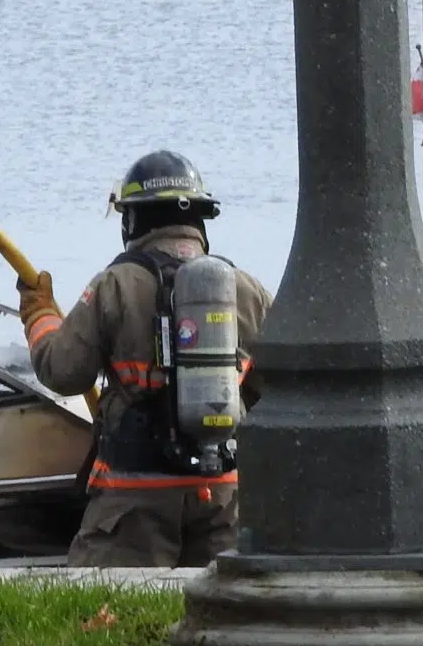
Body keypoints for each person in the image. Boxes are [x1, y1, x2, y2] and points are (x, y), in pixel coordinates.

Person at [17, 151, 271, 567]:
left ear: (132, 220)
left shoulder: (116, 285)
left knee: (106, 601)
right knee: (222, 598)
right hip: (223, 494)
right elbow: (278, 385)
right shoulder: (246, 290)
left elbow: (62, 371)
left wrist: (39, 313)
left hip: (135, 498)